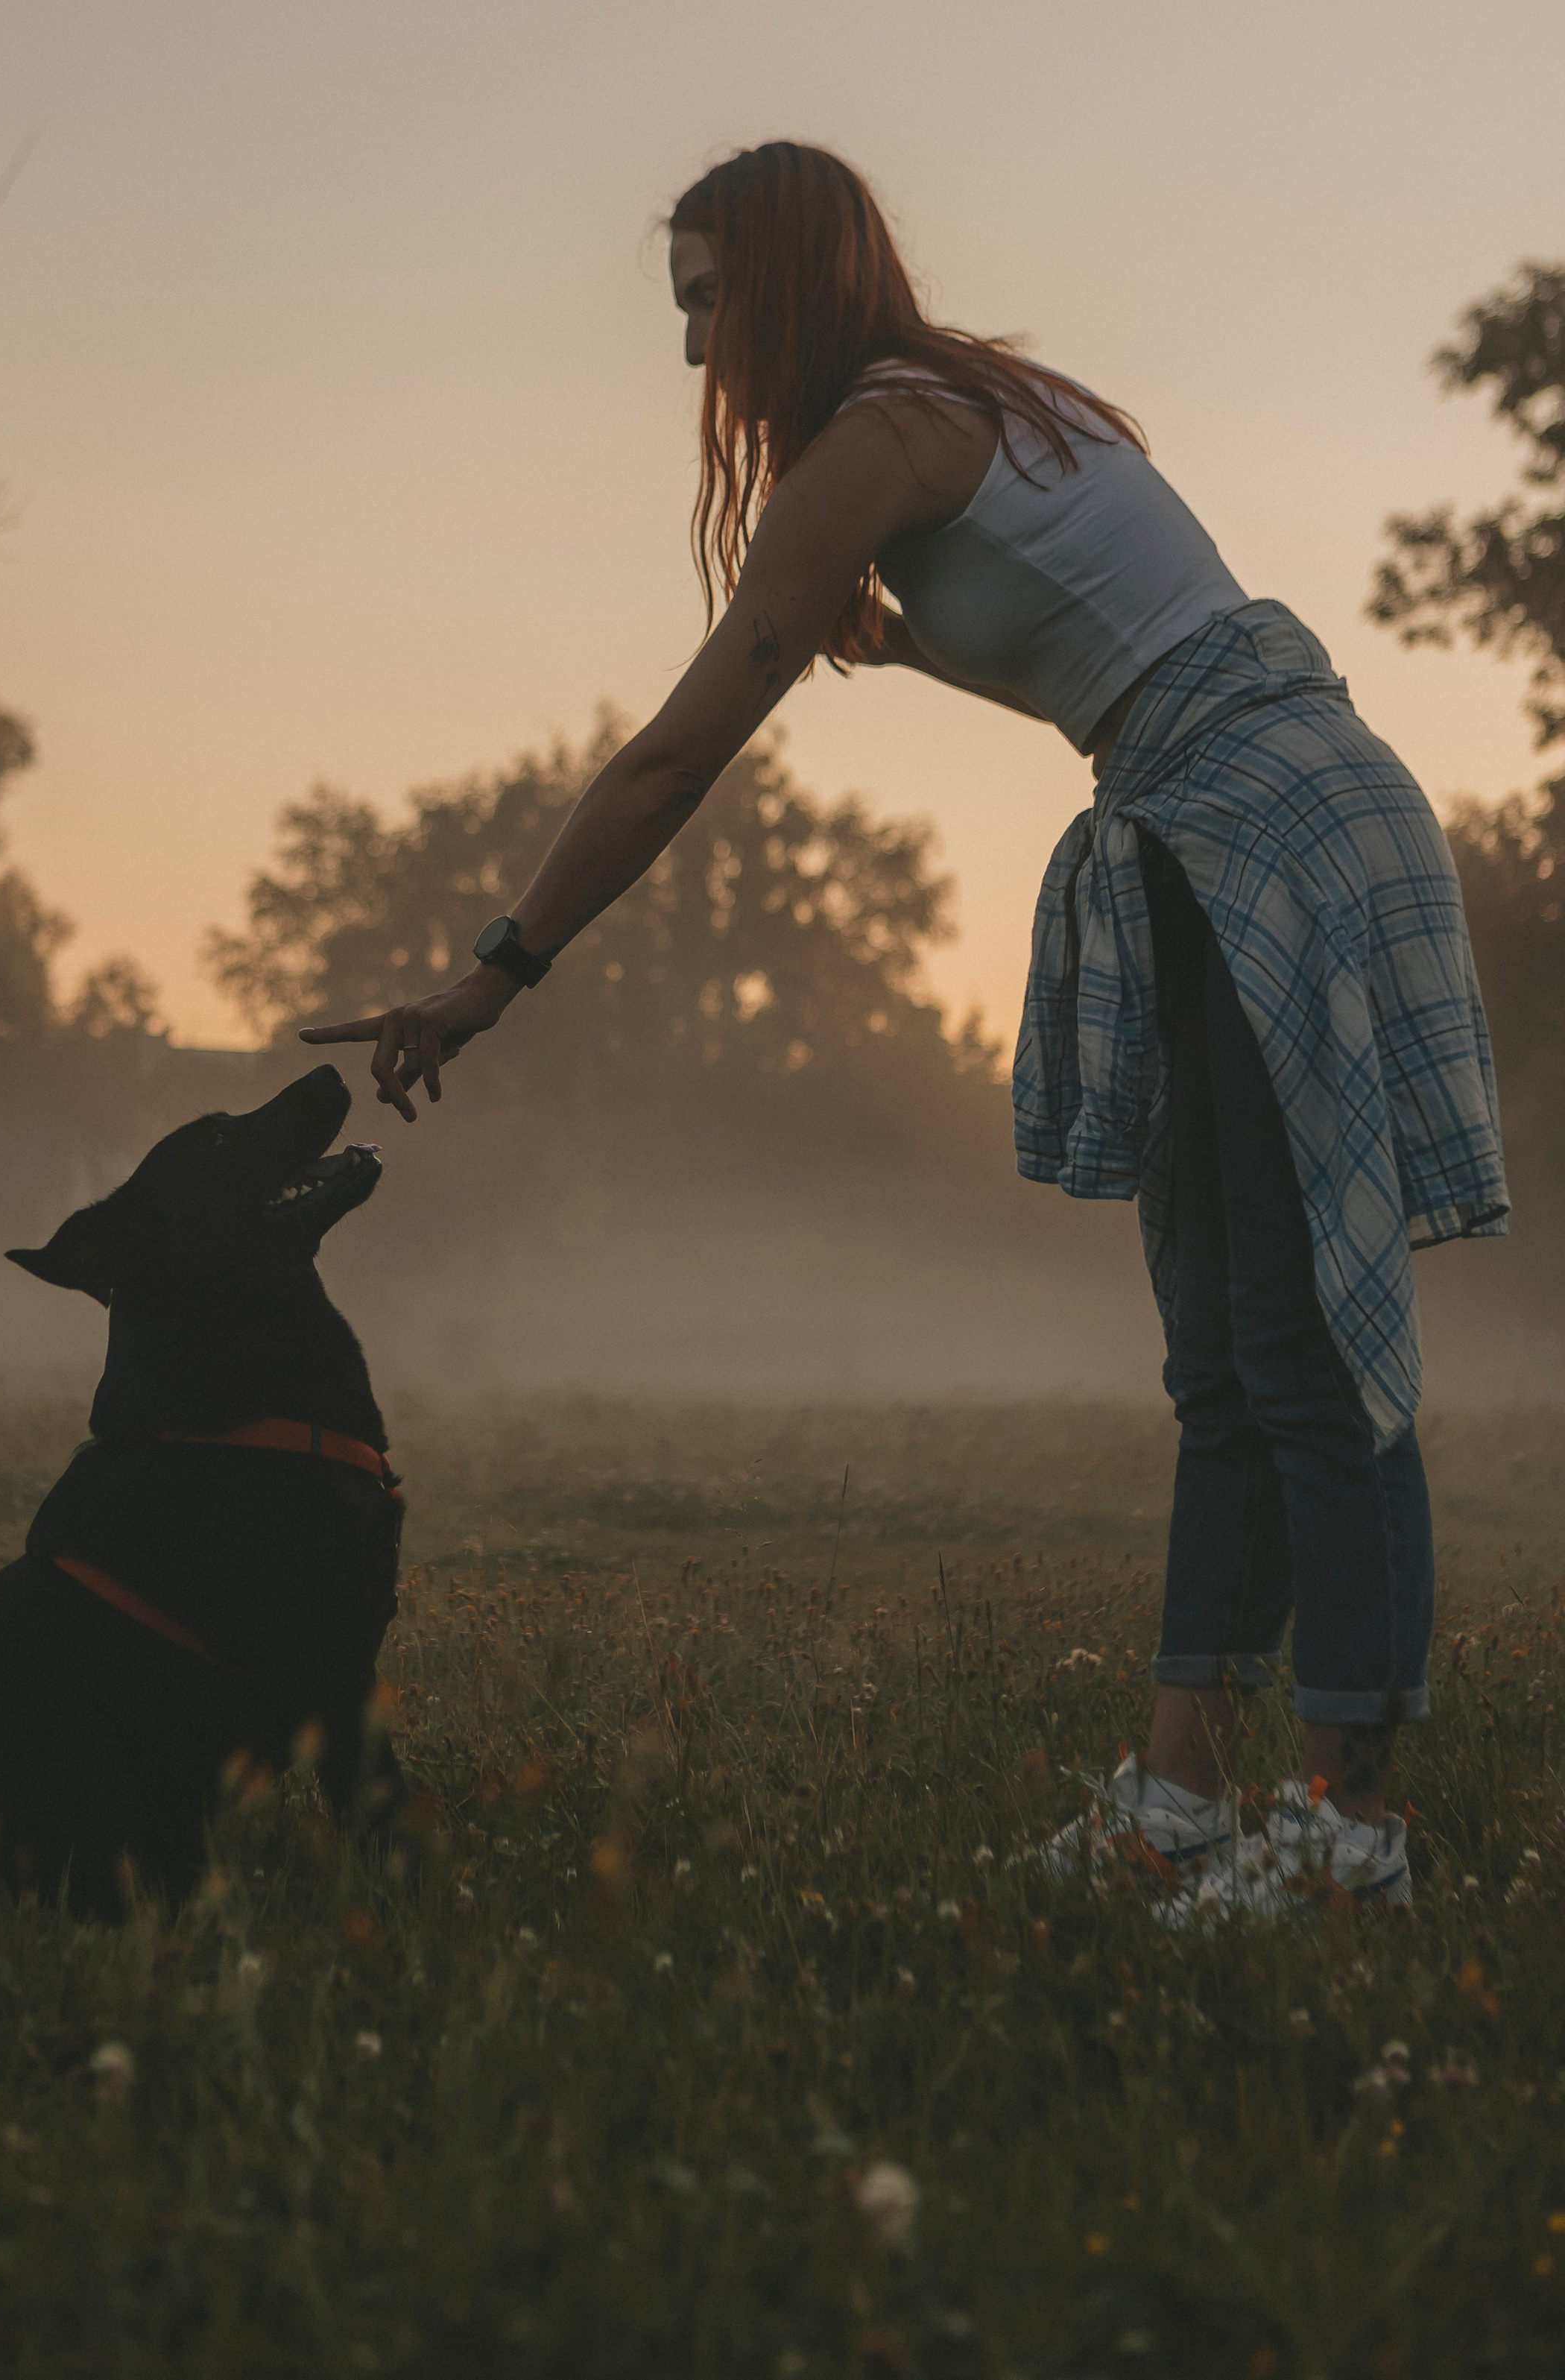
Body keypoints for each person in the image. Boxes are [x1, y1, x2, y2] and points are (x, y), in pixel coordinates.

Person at [305, 141, 1506, 1915]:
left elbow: (667, 758)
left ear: (786, 278)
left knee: (1304, 1350)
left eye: (707, 299)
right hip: (1227, 798)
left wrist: (498, 967)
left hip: (1250, 811)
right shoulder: (965, 409)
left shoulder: (879, 433)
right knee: (1235, 1360)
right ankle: (1179, 1812)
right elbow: (1085, 619)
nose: (695, 347)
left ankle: (1349, 1846)